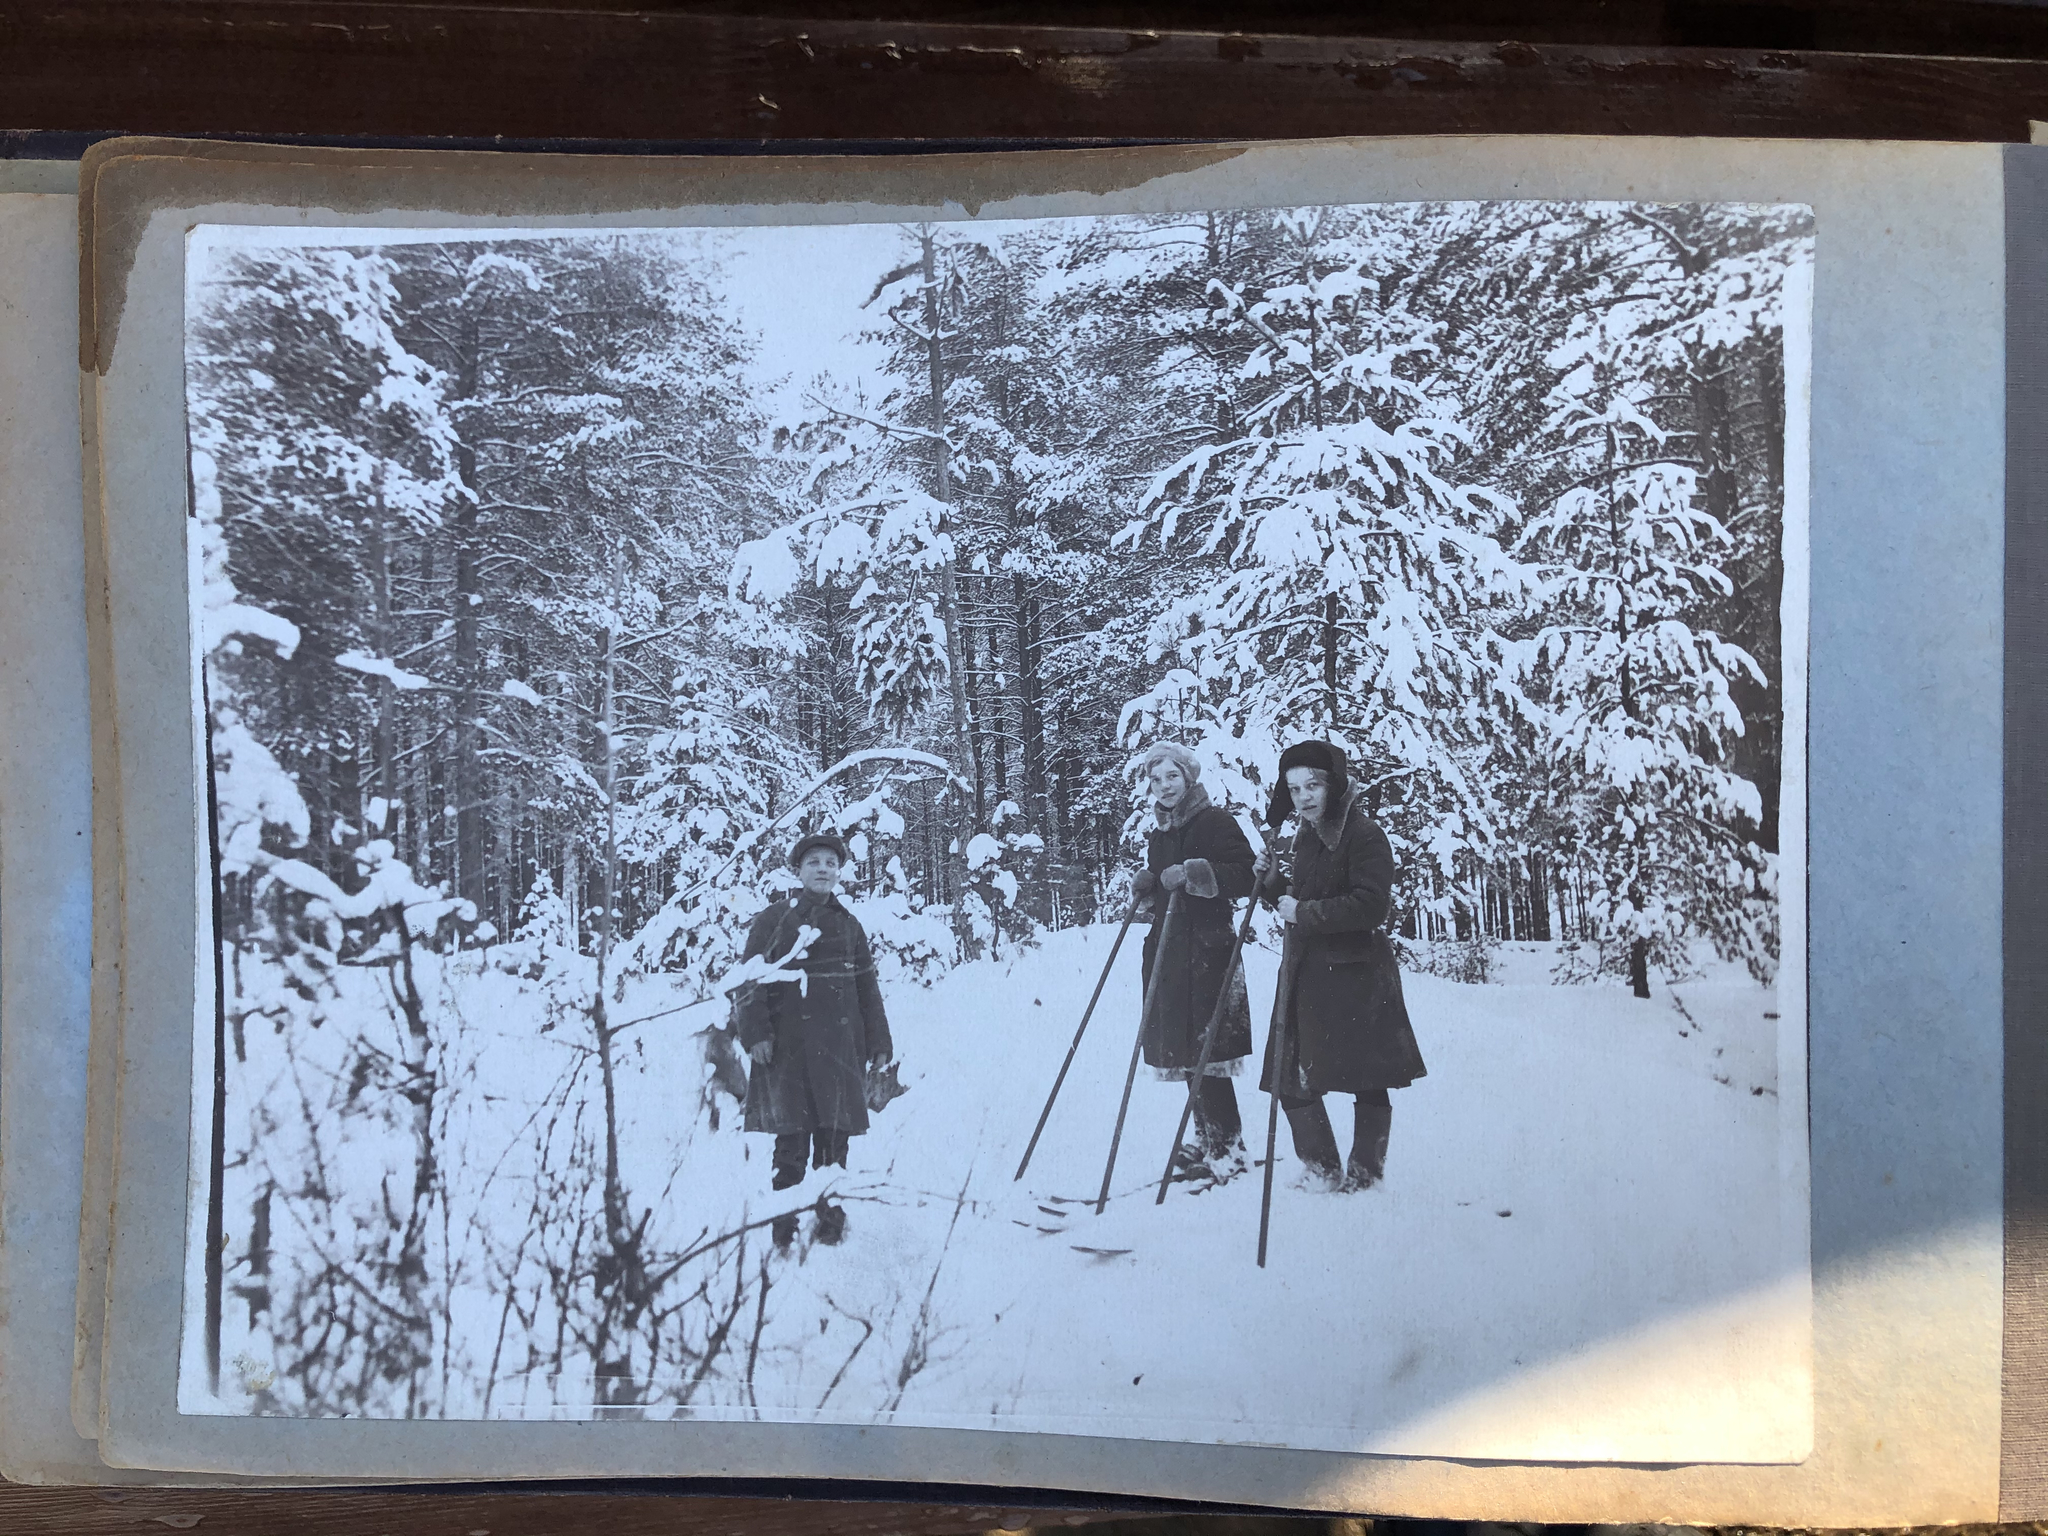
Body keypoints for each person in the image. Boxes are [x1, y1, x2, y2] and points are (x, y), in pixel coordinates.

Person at [1254, 740, 1425, 1191]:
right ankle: (1321, 1168)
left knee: (1365, 1079)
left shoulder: (1364, 834)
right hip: (1308, 972)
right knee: (1288, 1075)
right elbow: (1298, 900)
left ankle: (1366, 1176)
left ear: (1334, 784)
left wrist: (1303, 913)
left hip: (1356, 974)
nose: (1304, 797)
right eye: (1293, 789)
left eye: (1313, 785)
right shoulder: (1308, 836)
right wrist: (1272, 882)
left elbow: (1371, 907)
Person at [734, 832, 895, 1246]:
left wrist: (879, 1044)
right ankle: (784, 1230)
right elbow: (749, 979)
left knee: (834, 1141)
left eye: (830, 863)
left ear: (839, 871)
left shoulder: (849, 923)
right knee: (790, 1144)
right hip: (788, 1051)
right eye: (814, 863)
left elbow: (867, 988)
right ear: (798, 871)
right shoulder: (774, 919)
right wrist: (756, 1035)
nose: (823, 869)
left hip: (841, 1051)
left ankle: (829, 1226)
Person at [1131, 741, 1257, 1181]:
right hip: (1168, 954)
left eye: (1172, 776)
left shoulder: (1216, 821)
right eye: (1156, 778)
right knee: (1185, 1049)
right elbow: (1166, 895)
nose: (1164, 786)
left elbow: (1245, 874)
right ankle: (1206, 1137)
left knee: (1209, 1051)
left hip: (1207, 951)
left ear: (1189, 778)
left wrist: (1194, 873)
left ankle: (1229, 1146)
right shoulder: (1160, 833)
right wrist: (1149, 891)